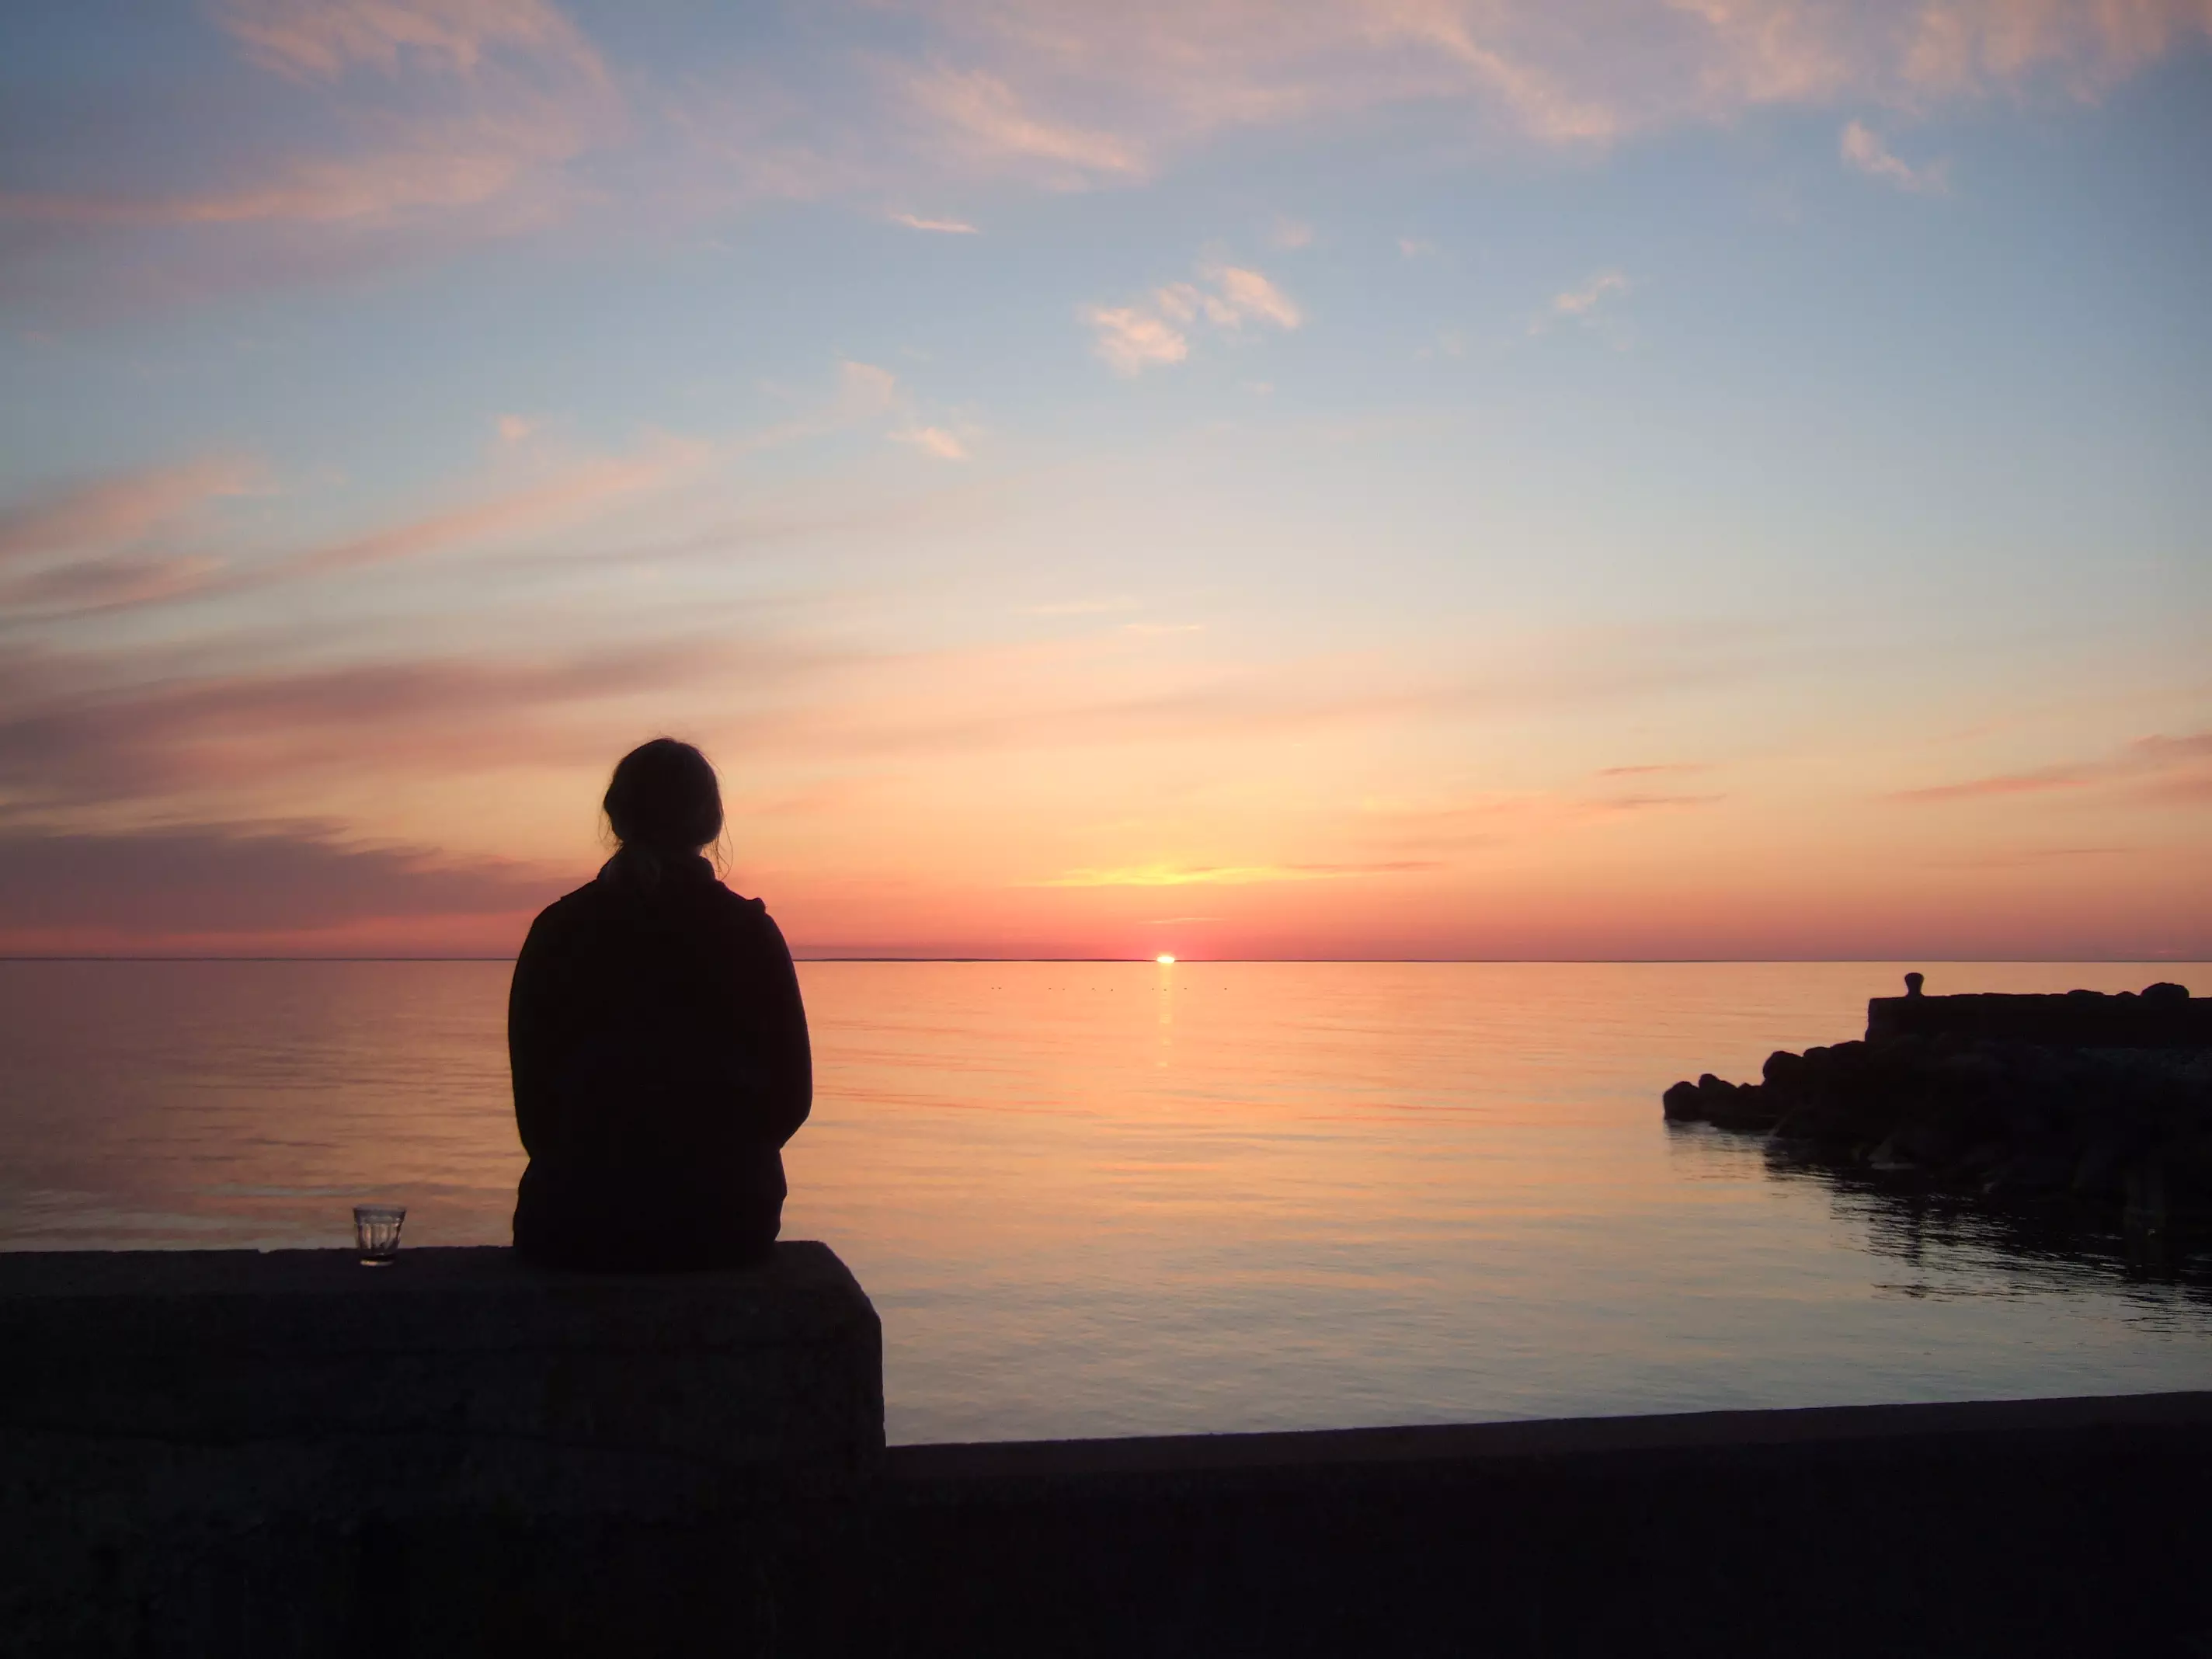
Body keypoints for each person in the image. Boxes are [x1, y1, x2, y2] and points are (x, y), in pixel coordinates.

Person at [509, 739, 812, 1269]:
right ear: (711, 823)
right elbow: (791, 1100)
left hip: (577, 1220)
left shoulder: (559, 931)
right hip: (725, 1221)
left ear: (615, 816)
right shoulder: (749, 934)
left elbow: (535, 1111)